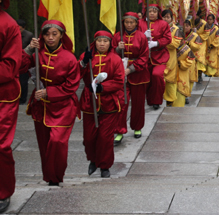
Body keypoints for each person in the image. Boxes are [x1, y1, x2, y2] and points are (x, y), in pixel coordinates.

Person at [23, 20, 80, 187]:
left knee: (57, 142)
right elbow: (18, 67)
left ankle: (56, 175)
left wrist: (49, 92)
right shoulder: (36, 54)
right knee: (44, 144)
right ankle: (49, 177)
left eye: (54, 34)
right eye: (47, 34)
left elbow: (72, 85)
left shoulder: (70, 58)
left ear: (62, 35)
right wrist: (27, 49)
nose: (50, 37)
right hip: (41, 106)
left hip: (63, 107)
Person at [79, 31, 125, 179]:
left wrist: (104, 88)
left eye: (105, 41)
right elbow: (75, 74)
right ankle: (93, 160)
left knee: (105, 138)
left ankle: (105, 165)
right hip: (89, 101)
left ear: (109, 43)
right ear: (95, 42)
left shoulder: (115, 59)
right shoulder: (86, 56)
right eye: (99, 41)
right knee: (89, 137)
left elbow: (119, 81)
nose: (102, 44)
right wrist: (83, 63)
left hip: (108, 103)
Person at [0, 0, 22, 213]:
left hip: (3, 95)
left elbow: (9, 67)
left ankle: (2, 192)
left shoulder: (9, 25)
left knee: (0, 145)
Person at [113, 12, 149, 143]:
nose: (129, 25)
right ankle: (119, 130)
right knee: (121, 102)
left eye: (131, 22)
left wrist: (130, 69)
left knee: (138, 103)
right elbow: (110, 54)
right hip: (120, 74)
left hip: (138, 74)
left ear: (136, 23)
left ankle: (137, 127)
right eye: (126, 22)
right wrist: (117, 49)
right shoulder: (117, 36)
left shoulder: (141, 37)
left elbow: (144, 57)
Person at [139, 4, 172, 110]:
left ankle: (157, 100)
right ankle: (149, 99)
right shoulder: (140, 23)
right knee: (146, 78)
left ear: (158, 13)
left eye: (154, 11)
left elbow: (168, 38)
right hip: (144, 56)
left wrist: (156, 43)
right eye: (150, 11)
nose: (152, 13)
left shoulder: (163, 24)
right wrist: (142, 37)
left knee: (157, 75)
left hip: (159, 55)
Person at [16, 19, 33, 105]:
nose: (18, 30)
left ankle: (23, 99)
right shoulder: (12, 33)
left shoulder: (29, 35)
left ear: (24, 28)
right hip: (15, 59)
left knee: (23, 81)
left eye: (20, 29)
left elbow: (32, 49)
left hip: (24, 60)